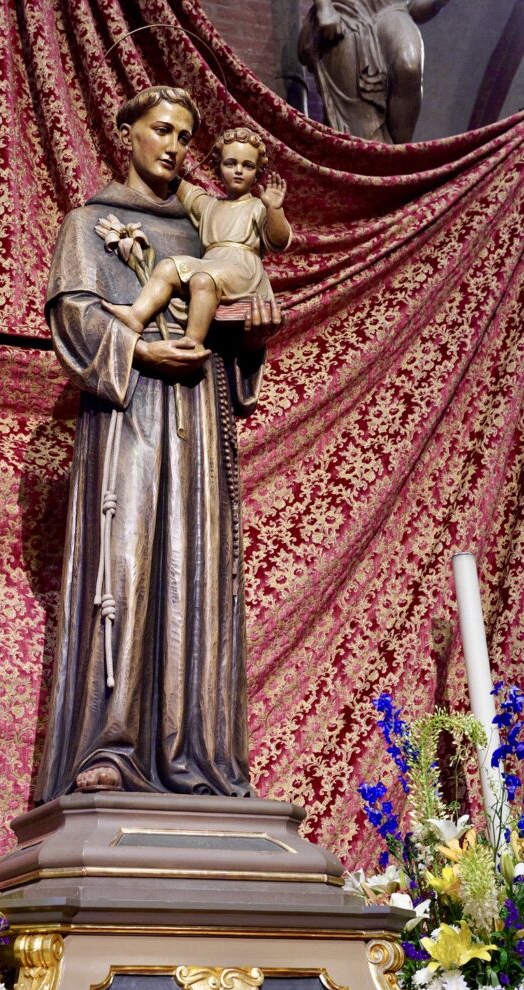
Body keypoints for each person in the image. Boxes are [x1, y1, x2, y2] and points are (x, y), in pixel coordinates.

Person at [35, 86, 281, 800]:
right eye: (161, 130)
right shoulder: (90, 221)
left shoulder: (206, 229)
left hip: (198, 419)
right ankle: (106, 747)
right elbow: (74, 317)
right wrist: (140, 354)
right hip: (130, 418)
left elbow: (228, 308)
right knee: (128, 569)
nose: (173, 145)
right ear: (128, 134)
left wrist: (249, 337)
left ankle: (195, 751)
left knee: (190, 573)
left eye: (183, 135)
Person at [102, 127, 291, 350]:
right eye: (230, 163)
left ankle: (193, 341)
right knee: (168, 266)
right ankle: (137, 315)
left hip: (242, 269)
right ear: (219, 167)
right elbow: (179, 185)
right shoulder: (208, 205)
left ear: (258, 172)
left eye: (247, 166)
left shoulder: (258, 207)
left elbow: (279, 241)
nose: (238, 171)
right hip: (212, 263)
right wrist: (157, 160)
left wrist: (274, 209)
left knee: (202, 279)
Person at [298, 0, 452, 143]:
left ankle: (400, 156)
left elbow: (413, 8)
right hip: (347, 10)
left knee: (409, 65)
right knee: (363, 132)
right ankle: (370, 153)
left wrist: (436, 3)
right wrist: (324, 7)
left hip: (393, 11)